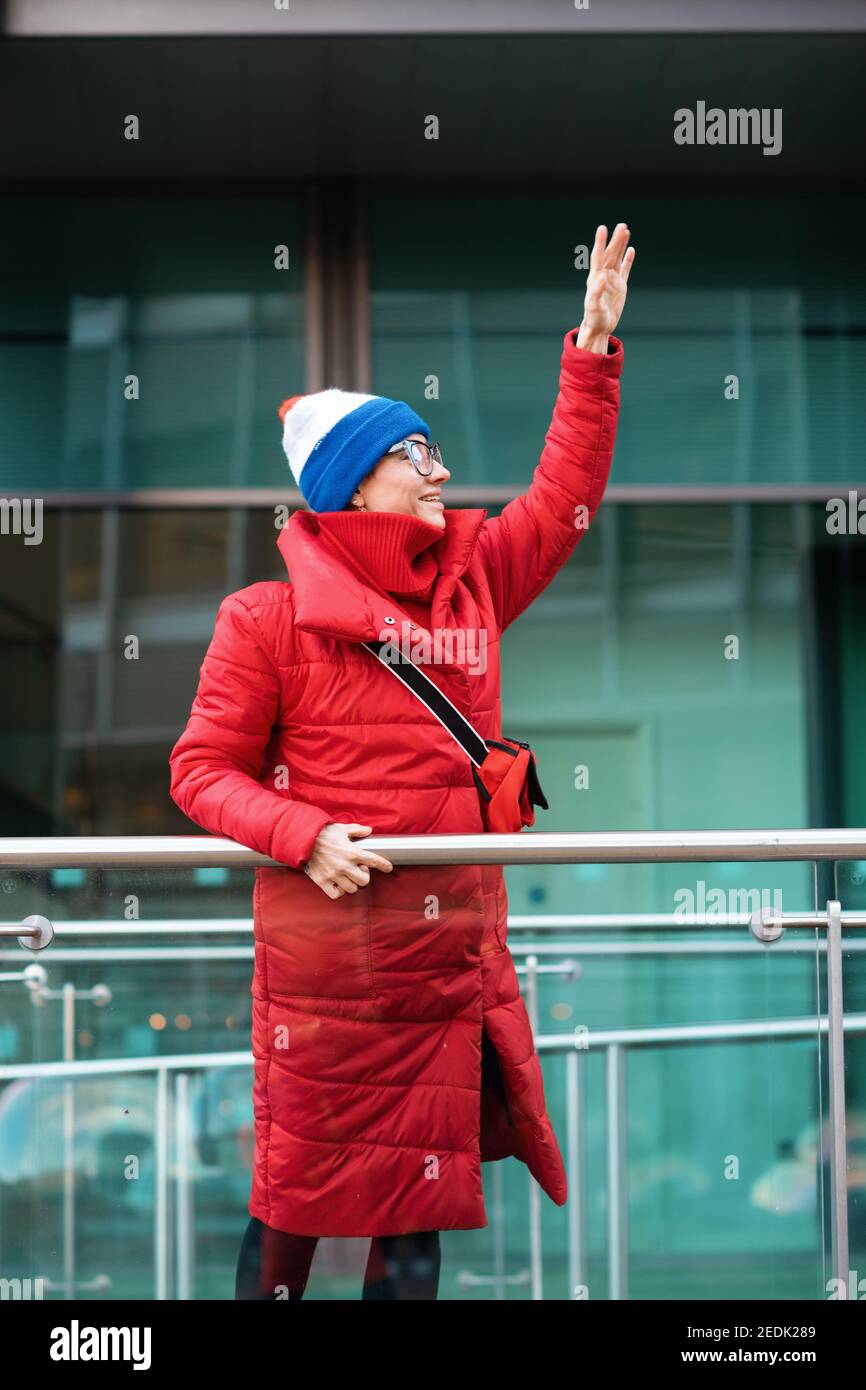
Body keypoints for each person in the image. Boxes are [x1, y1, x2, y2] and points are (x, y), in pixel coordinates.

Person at [169, 223, 634, 1300]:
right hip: (327, 981)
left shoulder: (474, 583)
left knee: (417, 1226)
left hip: (444, 973)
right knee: (288, 1218)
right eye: (417, 454)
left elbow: (562, 497)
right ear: (354, 482)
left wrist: (592, 349)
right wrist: (304, 833)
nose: (443, 471)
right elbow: (199, 771)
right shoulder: (264, 619)